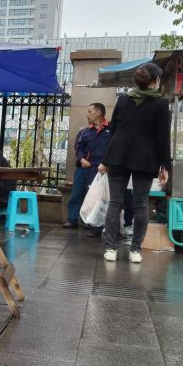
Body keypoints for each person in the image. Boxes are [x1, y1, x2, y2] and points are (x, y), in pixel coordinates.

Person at [102, 63, 170, 263]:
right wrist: (165, 166)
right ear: (156, 80)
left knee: (115, 202)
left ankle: (111, 248)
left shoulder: (124, 99)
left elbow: (113, 129)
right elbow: (162, 137)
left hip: (117, 155)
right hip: (145, 158)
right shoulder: (160, 103)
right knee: (141, 204)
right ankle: (135, 251)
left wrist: (106, 159)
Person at [63, 103, 111, 238]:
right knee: (76, 193)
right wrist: (82, 159)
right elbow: (78, 148)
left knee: (96, 198)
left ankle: (93, 224)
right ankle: (72, 219)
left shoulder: (111, 130)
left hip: (100, 169)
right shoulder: (85, 132)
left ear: (98, 113)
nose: (87, 115)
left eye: (90, 112)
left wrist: (106, 163)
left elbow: (114, 148)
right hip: (83, 167)